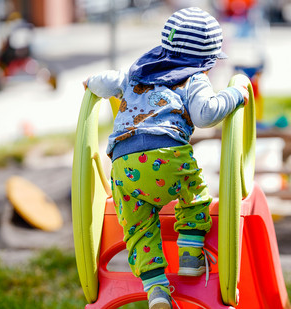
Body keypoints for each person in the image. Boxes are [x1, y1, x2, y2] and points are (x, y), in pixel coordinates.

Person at [84, 7, 249, 309]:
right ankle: (189, 251)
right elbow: (206, 114)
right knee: (195, 195)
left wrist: (91, 83)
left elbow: (102, 81)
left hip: (124, 165)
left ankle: (156, 289)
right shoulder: (193, 77)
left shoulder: (136, 73)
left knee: (137, 228)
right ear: (206, 60)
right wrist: (236, 94)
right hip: (168, 156)